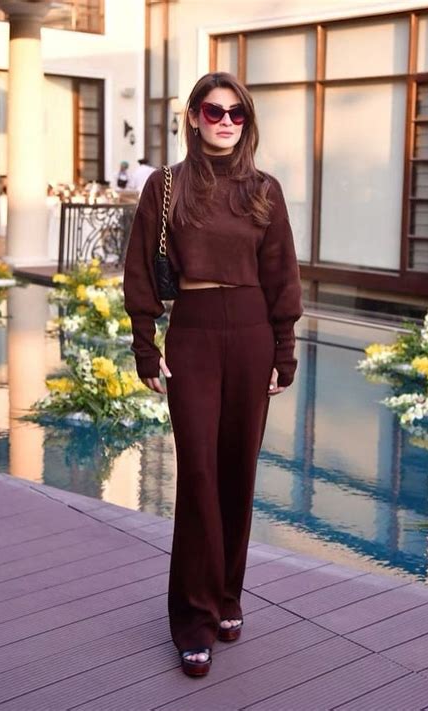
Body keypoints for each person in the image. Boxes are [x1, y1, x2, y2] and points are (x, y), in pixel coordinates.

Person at [123, 72, 303, 677]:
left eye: (237, 113)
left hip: (252, 333)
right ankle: (194, 618)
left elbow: (282, 275)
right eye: (213, 110)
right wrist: (145, 346)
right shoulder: (167, 186)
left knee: (237, 472)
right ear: (193, 117)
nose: (225, 121)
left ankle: (228, 596)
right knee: (199, 473)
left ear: (247, 122)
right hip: (195, 333)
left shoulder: (264, 191)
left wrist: (285, 348)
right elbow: (140, 270)